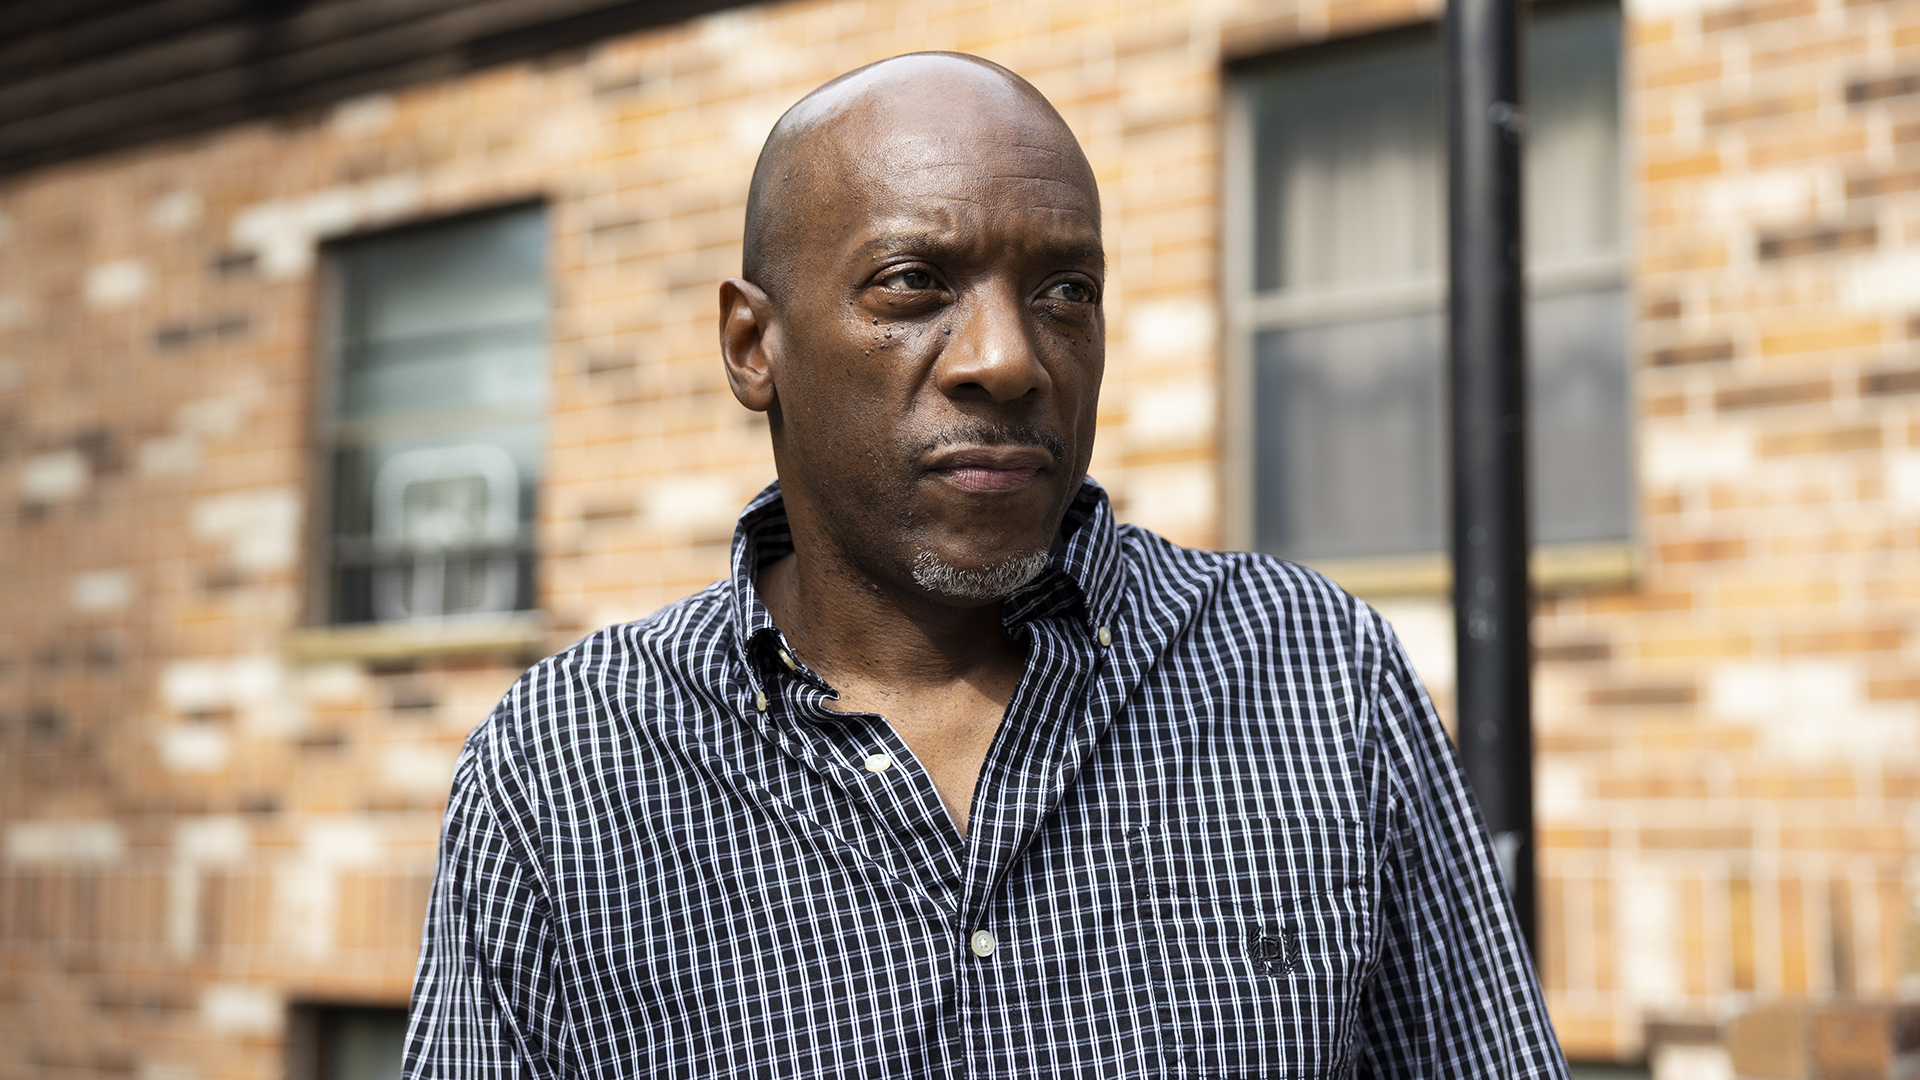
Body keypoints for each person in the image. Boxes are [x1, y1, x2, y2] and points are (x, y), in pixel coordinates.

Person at [403, 52, 1569, 1078]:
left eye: (1066, 291)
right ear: (754, 346)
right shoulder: (565, 778)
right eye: (913, 283)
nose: (1010, 359)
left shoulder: (1312, 679)